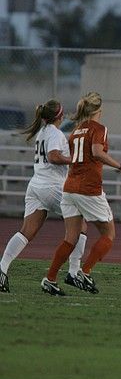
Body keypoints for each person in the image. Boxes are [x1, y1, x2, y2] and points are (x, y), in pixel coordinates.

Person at [41, 92, 121, 296]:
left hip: (70, 188)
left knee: (70, 238)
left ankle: (50, 278)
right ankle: (85, 271)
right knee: (108, 234)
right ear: (99, 110)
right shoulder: (99, 128)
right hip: (88, 188)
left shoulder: (76, 130)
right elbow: (97, 152)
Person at [0, 100, 88, 293]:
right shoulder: (55, 133)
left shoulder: (43, 132)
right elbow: (54, 156)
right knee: (80, 224)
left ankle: (1, 269)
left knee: (27, 232)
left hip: (36, 186)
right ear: (59, 116)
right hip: (51, 185)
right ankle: (74, 272)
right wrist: (74, 160)